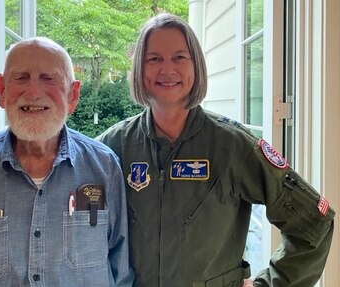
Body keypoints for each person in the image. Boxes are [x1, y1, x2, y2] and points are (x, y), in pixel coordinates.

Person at [97, 13, 335, 287]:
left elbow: (314, 222)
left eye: (179, 57)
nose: (167, 69)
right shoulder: (112, 147)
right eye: (154, 59)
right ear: (139, 69)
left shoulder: (232, 146)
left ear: (196, 65)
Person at [0, 37, 134, 286]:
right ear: (1, 90)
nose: (33, 92)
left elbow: (122, 276)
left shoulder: (104, 168)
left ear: (72, 95)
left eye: (48, 78)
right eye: (21, 77)